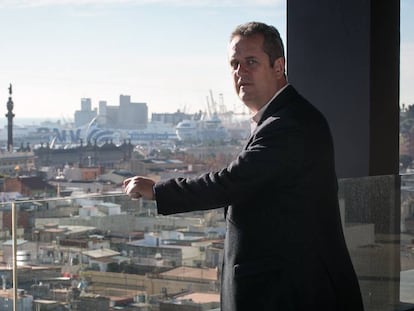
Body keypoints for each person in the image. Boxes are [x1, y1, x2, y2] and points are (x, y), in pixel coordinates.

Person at [123, 21, 364, 311]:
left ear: (278, 67)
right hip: (289, 285)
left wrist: (159, 191)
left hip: (290, 292)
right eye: (235, 64)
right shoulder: (284, 118)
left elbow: (232, 182)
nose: (240, 72)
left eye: (251, 62)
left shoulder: (289, 124)